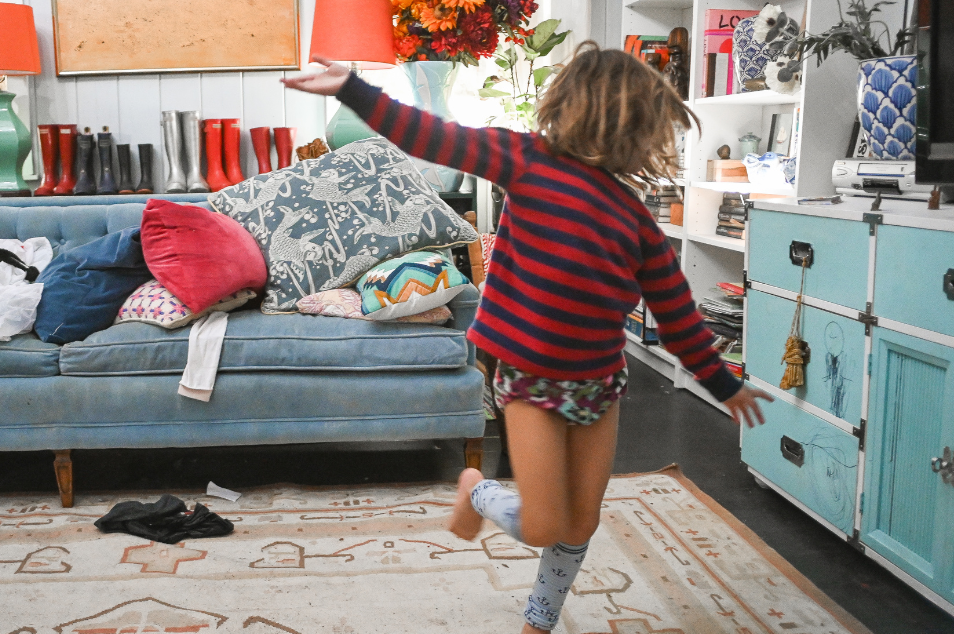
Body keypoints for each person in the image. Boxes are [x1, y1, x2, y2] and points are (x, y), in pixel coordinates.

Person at [283, 41, 772, 633]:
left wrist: (726, 384)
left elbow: (677, 315)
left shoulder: (635, 217)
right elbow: (430, 135)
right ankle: (477, 491)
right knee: (543, 523)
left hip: (599, 386)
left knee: (581, 522)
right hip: (529, 378)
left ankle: (539, 619)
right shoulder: (526, 159)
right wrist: (352, 88)